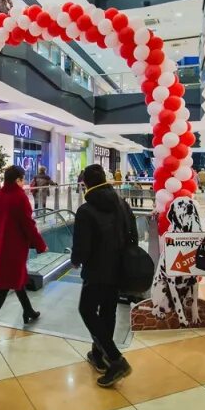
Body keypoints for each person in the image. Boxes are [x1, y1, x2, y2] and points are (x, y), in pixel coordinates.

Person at [73, 164, 135, 388]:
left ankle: (116, 359)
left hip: (97, 270)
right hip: (119, 269)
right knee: (108, 311)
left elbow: (82, 246)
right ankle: (99, 355)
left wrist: (75, 260)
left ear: (87, 183)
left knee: (87, 310)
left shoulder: (86, 210)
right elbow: (133, 236)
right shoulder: (122, 204)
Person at [0, 166, 46, 342]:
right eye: (23, 179)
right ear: (18, 180)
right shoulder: (20, 198)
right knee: (3, 288)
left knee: (17, 279)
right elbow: (29, 225)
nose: (24, 183)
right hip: (15, 250)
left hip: (2, 248)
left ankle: (28, 310)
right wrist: (40, 245)